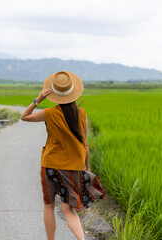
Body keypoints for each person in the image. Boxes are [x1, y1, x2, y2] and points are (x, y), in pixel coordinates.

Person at [20, 71, 105, 240]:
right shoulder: (82, 114)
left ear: (54, 94)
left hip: (50, 165)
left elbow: (24, 117)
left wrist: (38, 100)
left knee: (49, 205)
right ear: (73, 92)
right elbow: (85, 143)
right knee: (68, 209)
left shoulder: (49, 113)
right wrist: (87, 168)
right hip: (73, 168)